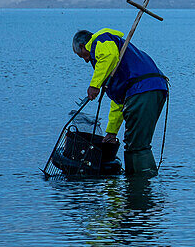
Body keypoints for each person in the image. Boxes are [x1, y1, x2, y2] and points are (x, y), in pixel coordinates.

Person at [72, 28, 168, 177]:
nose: (85, 60)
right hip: (151, 89)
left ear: (84, 45)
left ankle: (143, 185)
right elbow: (119, 102)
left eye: (81, 55)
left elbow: (109, 56)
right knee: (133, 141)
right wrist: (111, 132)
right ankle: (135, 182)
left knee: (137, 144)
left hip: (143, 89)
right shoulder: (112, 69)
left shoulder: (101, 40)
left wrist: (94, 85)